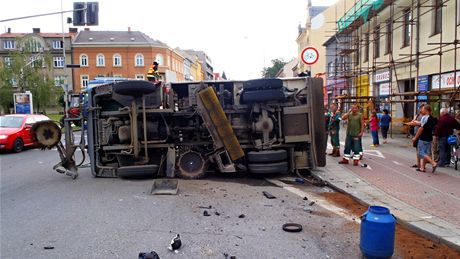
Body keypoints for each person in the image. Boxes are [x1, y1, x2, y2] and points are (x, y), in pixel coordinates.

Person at [412, 105, 437, 173]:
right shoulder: (431, 118)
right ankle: (422, 168)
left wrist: (415, 137)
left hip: (423, 138)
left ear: (426, 110)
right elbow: (424, 125)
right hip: (429, 138)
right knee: (426, 153)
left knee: (420, 152)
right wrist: (418, 122)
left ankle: (433, 163)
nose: (421, 110)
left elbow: (421, 128)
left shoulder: (424, 117)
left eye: (422, 109)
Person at [405, 104, 425, 169]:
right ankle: (418, 163)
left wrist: (414, 122)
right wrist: (410, 123)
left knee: (421, 150)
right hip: (416, 133)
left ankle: (422, 165)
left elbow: (421, 124)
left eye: (422, 109)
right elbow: (413, 122)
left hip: (421, 134)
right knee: (417, 150)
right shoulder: (417, 115)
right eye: (421, 108)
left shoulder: (425, 116)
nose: (421, 110)